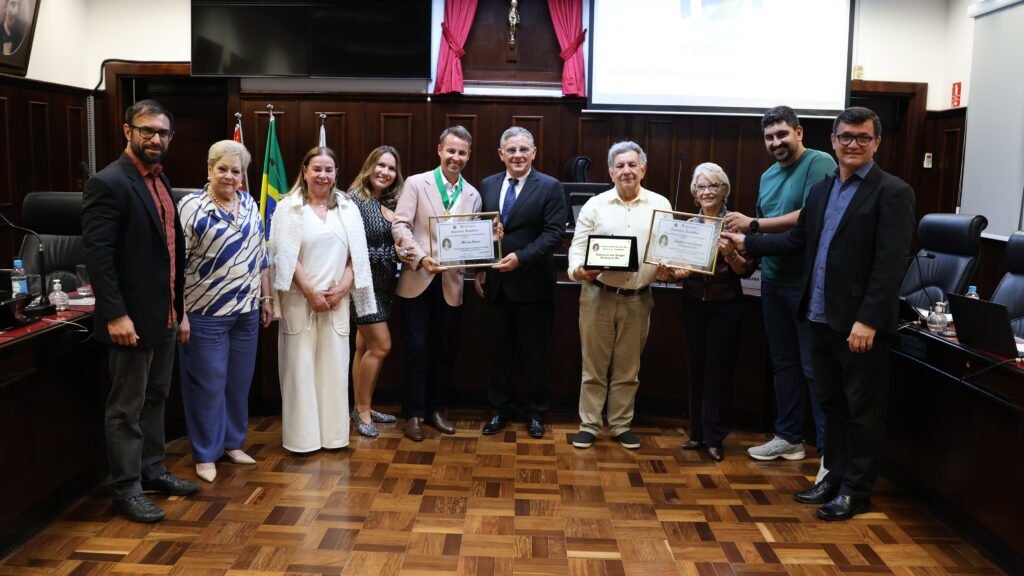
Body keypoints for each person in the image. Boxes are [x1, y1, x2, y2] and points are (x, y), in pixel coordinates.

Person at [722, 106, 915, 521]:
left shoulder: (893, 192)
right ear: (833, 141)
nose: (853, 144)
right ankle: (834, 476)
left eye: (862, 137)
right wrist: (747, 243)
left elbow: (890, 264)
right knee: (831, 404)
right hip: (818, 315)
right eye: (846, 136)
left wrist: (868, 320)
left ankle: (856, 490)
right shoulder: (823, 189)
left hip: (859, 326)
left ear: (877, 143)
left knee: (862, 411)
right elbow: (798, 240)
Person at [82, 99, 199, 523]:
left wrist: (180, 310)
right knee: (125, 409)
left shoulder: (160, 180)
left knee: (156, 398)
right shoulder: (108, 183)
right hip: (129, 321)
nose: (155, 138)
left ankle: (153, 470)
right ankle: (127, 489)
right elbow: (99, 256)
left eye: (162, 132)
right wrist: (115, 314)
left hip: (163, 316)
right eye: (147, 130)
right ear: (127, 131)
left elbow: (170, 256)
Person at [724, 106, 837, 467]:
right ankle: (788, 438)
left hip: (806, 284)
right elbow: (763, 227)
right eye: (770, 137)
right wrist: (741, 248)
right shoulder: (768, 175)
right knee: (783, 363)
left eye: (782, 134)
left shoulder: (819, 162)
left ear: (799, 132)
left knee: (813, 368)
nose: (776, 142)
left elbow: (810, 216)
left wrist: (753, 226)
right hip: (773, 281)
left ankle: (828, 455)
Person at [176, 140, 272, 482]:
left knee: (237, 383)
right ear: (209, 169)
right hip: (205, 312)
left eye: (236, 170)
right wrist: (180, 314)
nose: (230, 176)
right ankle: (206, 453)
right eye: (223, 169)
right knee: (208, 385)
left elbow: (261, 256)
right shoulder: (191, 207)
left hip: (246, 311)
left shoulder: (249, 203)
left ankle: (233, 443)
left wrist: (267, 298)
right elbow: (175, 265)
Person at [269, 146, 375, 453]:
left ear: (336, 174)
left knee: (334, 371)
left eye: (329, 170)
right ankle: (302, 441)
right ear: (304, 171)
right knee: (299, 370)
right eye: (316, 169)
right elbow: (283, 255)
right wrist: (310, 292)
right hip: (299, 300)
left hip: (336, 302)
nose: (322, 175)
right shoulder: (288, 207)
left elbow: (358, 256)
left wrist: (342, 289)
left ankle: (333, 437)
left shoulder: (348, 208)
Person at [567, 141, 671, 450]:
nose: (627, 171)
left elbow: (667, 248)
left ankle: (621, 424)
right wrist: (578, 270)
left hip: (638, 298)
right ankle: (589, 424)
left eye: (632, 165)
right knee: (593, 368)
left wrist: (669, 268)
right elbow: (578, 246)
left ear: (643, 169)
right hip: (597, 295)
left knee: (628, 370)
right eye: (620, 166)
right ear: (611, 172)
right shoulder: (595, 205)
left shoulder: (660, 204)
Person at [657, 163, 755, 462]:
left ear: (724, 190)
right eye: (702, 186)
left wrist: (731, 254)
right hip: (693, 306)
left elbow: (745, 270)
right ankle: (697, 433)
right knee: (696, 367)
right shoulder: (687, 225)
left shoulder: (737, 225)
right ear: (694, 193)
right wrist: (668, 273)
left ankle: (715, 437)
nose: (708, 191)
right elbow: (680, 271)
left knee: (719, 371)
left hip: (726, 306)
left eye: (714, 185)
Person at [473, 126, 567, 438]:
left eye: (524, 149)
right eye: (511, 150)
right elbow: (481, 230)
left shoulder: (550, 186)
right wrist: (481, 269)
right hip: (497, 285)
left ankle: (536, 412)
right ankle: (500, 409)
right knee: (498, 353)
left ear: (534, 153)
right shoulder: (488, 184)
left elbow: (554, 233)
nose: (518, 155)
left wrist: (521, 258)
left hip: (534, 286)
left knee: (535, 354)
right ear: (501, 154)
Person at [392, 126, 482, 441]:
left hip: (451, 283)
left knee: (443, 349)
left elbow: (471, 240)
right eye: (451, 150)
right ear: (439, 150)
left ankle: (436, 409)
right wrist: (420, 258)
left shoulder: (473, 195)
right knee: (416, 347)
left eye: (462, 153)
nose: (456, 157)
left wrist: (489, 239)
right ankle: (413, 413)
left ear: (468, 155)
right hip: (418, 276)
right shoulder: (417, 183)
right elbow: (400, 225)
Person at [347, 146, 404, 438]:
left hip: (384, 286)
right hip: (362, 287)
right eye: (380, 165)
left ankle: (362, 405)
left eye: (391, 168)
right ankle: (362, 412)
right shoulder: (354, 201)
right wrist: (394, 252)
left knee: (364, 348)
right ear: (369, 166)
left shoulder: (389, 200)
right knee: (381, 346)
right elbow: (351, 249)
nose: (385, 172)